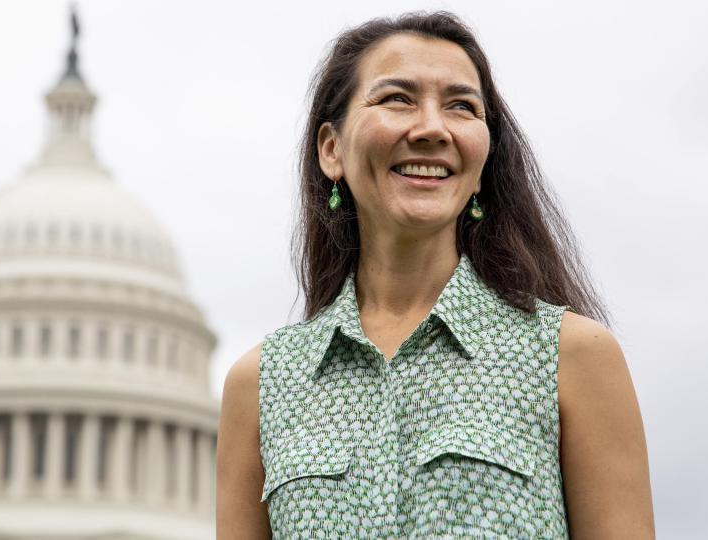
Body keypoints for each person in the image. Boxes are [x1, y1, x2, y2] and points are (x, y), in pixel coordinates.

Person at [216, 10, 654, 539]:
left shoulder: (571, 355)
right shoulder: (261, 384)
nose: (431, 128)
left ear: (485, 154)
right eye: (397, 98)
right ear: (331, 149)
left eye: (461, 106)